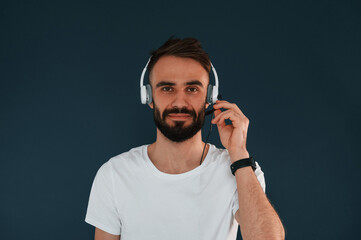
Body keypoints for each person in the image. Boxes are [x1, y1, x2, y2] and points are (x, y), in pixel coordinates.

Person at [85, 36, 285, 240]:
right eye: (167, 88)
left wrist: (239, 153)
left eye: (192, 89)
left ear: (210, 98)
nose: (179, 101)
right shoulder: (114, 174)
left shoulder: (239, 169)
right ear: (148, 97)